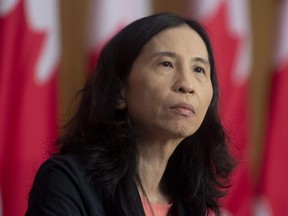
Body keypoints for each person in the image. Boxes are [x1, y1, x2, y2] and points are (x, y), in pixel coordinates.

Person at [25, 12, 235, 216]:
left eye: (199, 69)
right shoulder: (67, 181)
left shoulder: (192, 203)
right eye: (166, 64)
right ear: (119, 92)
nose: (187, 85)